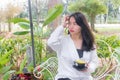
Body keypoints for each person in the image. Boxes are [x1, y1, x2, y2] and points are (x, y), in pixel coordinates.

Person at [47, 12, 99, 80]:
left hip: (85, 78)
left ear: (82, 26)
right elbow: (51, 42)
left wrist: (89, 68)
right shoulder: (62, 41)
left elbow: (94, 61)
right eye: (69, 23)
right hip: (65, 77)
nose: (71, 26)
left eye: (75, 24)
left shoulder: (89, 42)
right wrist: (62, 26)